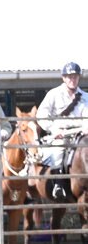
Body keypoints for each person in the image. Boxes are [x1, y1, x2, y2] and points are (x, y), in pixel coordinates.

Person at [34, 62, 88, 198]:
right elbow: (41, 114)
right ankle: (58, 184)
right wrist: (53, 128)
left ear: (78, 78)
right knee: (58, 150)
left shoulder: (85, 97)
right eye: (69, 77)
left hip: (81, 133)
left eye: (75, 76)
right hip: (61, 133)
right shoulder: (54, 94)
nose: (72, 79)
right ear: (63, 78)